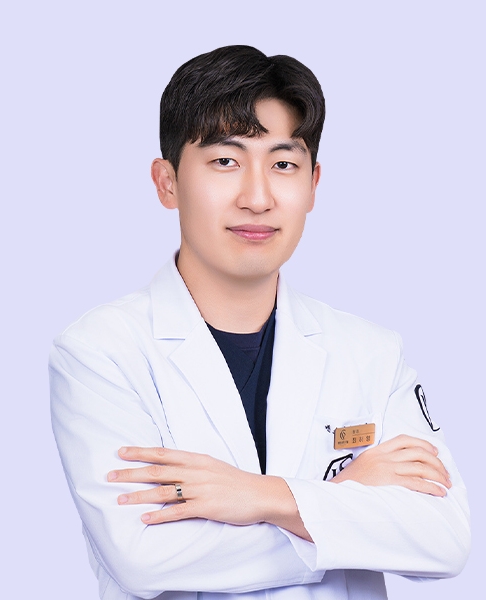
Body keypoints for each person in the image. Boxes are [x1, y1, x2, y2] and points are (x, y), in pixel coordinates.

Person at [49, 45, 470, 599]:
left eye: (283, 164)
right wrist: (344, 501)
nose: (257, 197)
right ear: (167, 182)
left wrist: (262, 496)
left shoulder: (371, 352)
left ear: (313, 183)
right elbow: (148, 557)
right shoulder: (100, 352)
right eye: (226, 161)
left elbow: (443, 538)